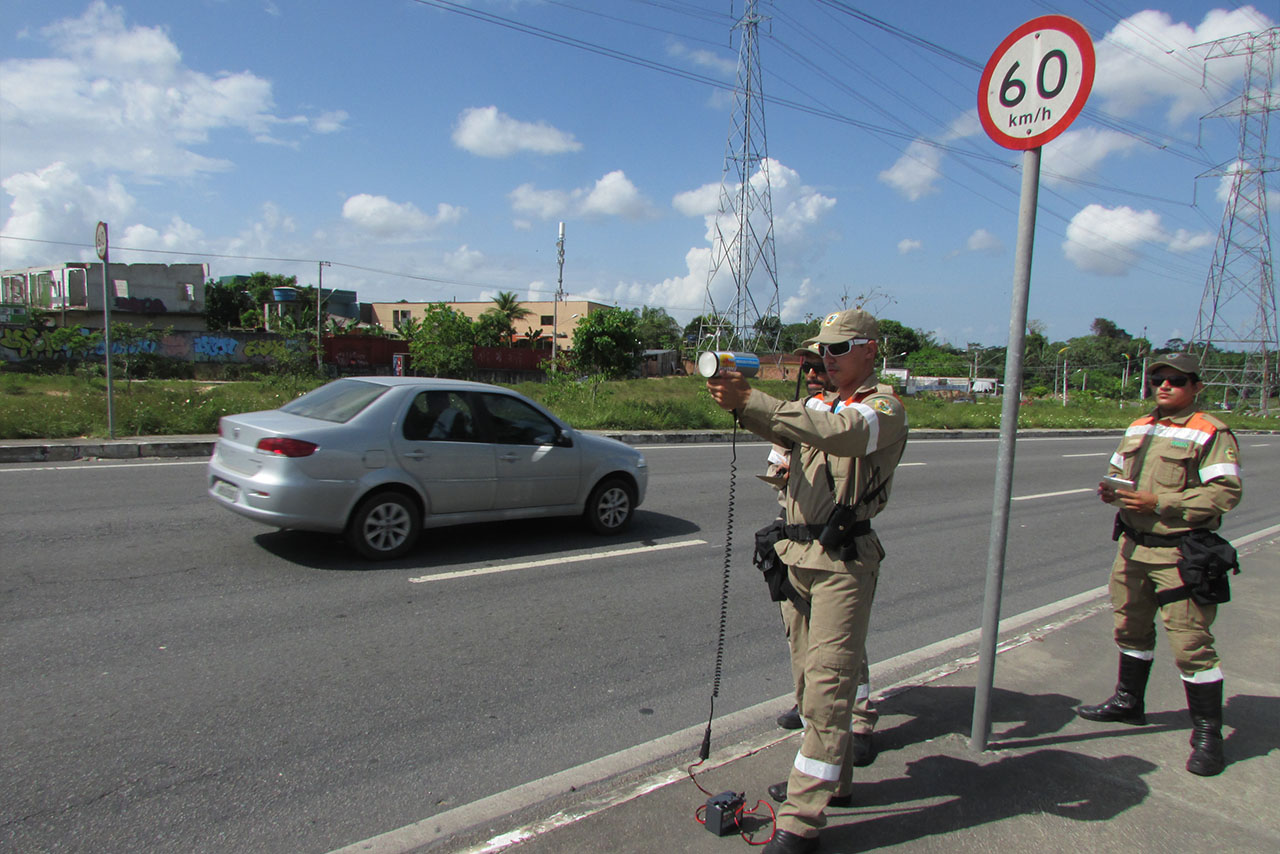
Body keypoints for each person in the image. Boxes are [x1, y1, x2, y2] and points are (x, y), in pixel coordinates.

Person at [707, 309, 907, 854]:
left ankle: (801, 819)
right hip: (797, 552)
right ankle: (831, 782)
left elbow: (841, 436)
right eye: (823, 349)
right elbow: (785, 426)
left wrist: (752, 399)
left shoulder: (880, 408)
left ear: (869, 350)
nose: (826, 358)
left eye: (839, 349)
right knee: (805, 679)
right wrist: (736, 402)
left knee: (829, 686)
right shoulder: (820, 403)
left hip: (843, 560)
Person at [1076, 352, 1242, 777]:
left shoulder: (1210, 431)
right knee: (1129, 627)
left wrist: (1160, 502)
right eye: (1158, 379)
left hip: (1179, 552)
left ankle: (1208, 734)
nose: (1164, 385)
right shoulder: (1139, 426)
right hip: (1132, 548)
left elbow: (1224, 493)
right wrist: (1111, 491)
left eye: (1177, 380)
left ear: (1195, 387)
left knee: (1190, 643)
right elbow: (1117, 470)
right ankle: (1128, 702)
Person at [771, 343, 880, 772]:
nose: (815, 372)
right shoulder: (801, 410)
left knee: (841, 651)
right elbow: (777, 460)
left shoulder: (852, 413)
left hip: (836, 547)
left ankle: (860, 721)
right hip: (796, 539)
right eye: (809, 365)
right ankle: (808, 710)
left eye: (821, 364)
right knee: (802, 641)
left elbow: (847, 443)